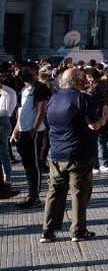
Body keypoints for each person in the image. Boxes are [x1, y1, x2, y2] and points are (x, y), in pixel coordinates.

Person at [42, 67, 108, 243]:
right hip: (78, 154)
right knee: (79, 193)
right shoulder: (82, 99)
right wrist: (104, 118)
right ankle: (78, 231)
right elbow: (94, 126)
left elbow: (48, 124)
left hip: (57, 153)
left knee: (54, 192)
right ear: (78, 81)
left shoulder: (53, 99)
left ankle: (47, 231)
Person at [12, 67, 51, 208]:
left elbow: (41, 110)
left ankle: (34, 197)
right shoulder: (24, 90)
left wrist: (34, 129)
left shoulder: (40, 88)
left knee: (34, 165)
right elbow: (21, 111)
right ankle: (31, 194)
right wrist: (16, 130)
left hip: (33, 132)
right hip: (23, 131)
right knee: (27, 165)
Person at [0, 74, 16, 194]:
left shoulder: (8, 92)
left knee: (3, 152)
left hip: (3, 120)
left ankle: (7, 179)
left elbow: (9, 110)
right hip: (3, 119)